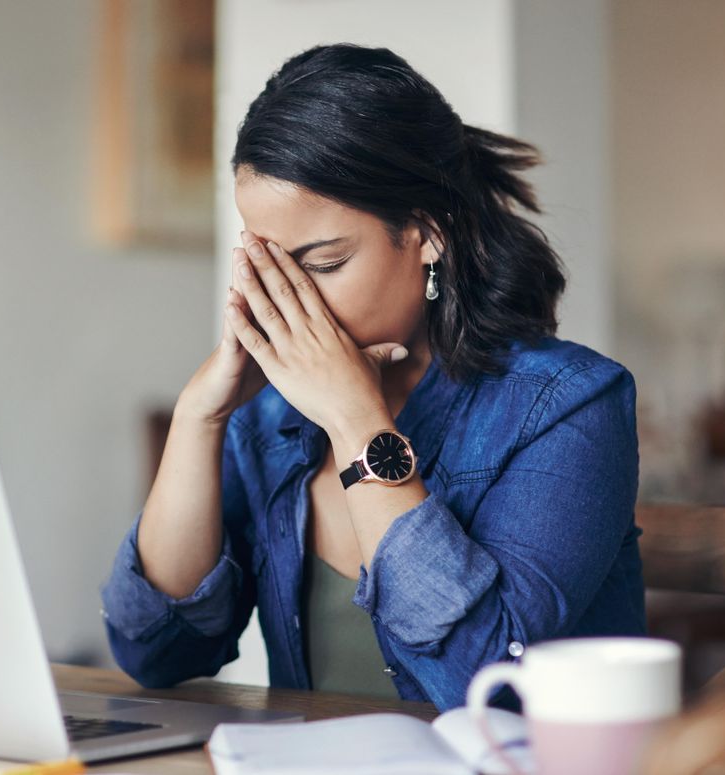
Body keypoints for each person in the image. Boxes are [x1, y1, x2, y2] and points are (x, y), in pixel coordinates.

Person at [100, 43, 644, 710]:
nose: (294, 301)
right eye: (273, 266)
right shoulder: (270, 419)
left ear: (427, 232)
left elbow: (483, 686)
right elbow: (156, 652)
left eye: (324, 262)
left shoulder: (568, 405)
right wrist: (199, 417)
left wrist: (357, 421)